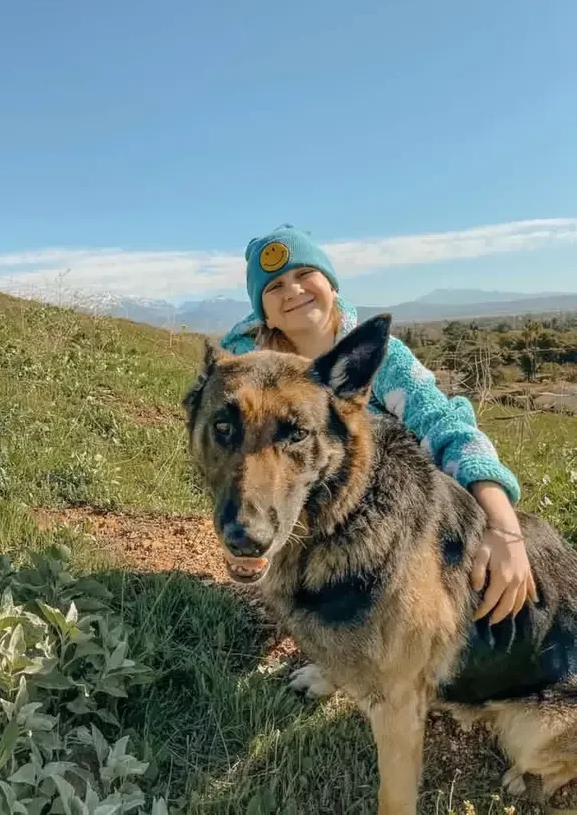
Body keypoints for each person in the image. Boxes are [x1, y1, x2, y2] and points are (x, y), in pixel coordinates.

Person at [221, 224, 538, 624]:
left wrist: (505, 526)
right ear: (263, 312)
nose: (293, 291)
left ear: (331, 284)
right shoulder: (251, 370)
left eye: (304, 274)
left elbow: (446, 427)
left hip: (393, 516)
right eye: (274, 286)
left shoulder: (384, 360)